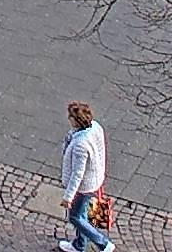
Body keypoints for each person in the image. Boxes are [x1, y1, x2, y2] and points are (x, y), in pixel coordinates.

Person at [59, 101, 112, 252]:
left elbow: (78, 173)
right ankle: (79, 245)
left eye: (70, 116)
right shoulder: (96, 127)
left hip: (84, 186)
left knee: (75, 217)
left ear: (76, 120)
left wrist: (68, 197)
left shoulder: (80, 144)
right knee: (82, 215)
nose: (68, 118)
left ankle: (103, 244)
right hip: (95, 179)